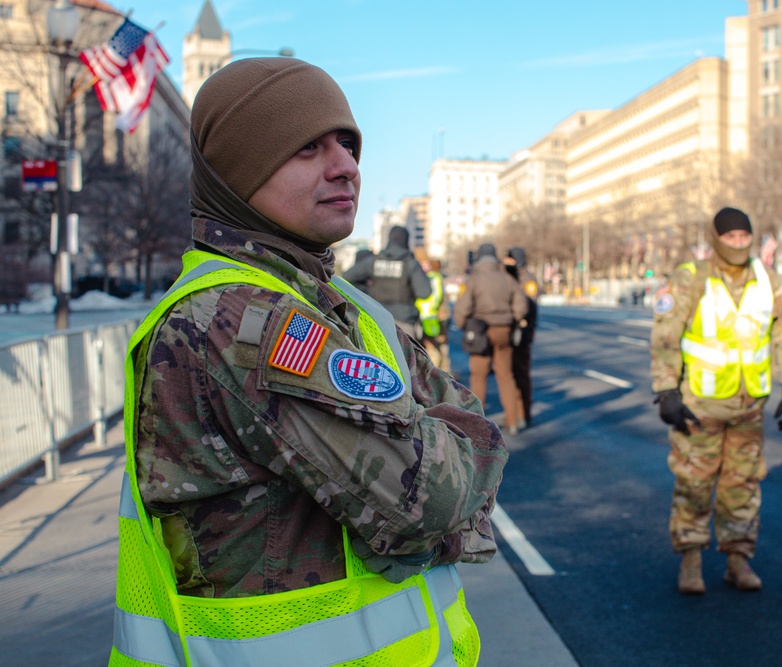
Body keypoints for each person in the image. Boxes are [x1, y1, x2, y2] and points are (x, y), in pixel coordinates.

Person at [109, 58, 507, 667]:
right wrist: (443, 448)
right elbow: (433, 496)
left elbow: (461, 415)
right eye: (307, 148)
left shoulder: (334, 300)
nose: (346, 165)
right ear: (238, 173)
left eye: (348, 143)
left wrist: (439, 442)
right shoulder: (241, 322)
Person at [649, 206, 782, 595]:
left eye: (743, 236)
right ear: (716, 239)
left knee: (744, 485)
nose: (738, 243)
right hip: (699, 404)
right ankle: (691, 560)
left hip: (748, 404)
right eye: (730, 237)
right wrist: (666, 391)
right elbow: (666, 336)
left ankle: (738, 560)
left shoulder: (769, 281)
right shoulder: (691, 278)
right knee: (694, 484)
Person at [454, 243, 528, 436]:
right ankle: (512, 422)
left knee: (478, 376)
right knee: (506, 376)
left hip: (480, 331)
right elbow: (522, 305)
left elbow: (461, 309)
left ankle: (478, 426)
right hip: (503, 331)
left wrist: (464, 326)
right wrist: (514, 320)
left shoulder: (474, 279)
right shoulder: (506, 278)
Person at [342, 224, 431, 340]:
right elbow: (425, 292)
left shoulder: (375, 261)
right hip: (404, 323)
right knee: (403, 358)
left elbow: (347, 277)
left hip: (376, 320)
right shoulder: (410, 263)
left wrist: (369, 291)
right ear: (406, 241)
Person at [504, 247, 539, 429]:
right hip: (510, 331)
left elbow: (529, 307)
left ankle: (524, 412)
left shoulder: (528, 280)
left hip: (523, 332)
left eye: (508, 259)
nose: (505, 262)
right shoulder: (510, 277)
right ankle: (515, 413)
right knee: (509, 374)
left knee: (521, 374)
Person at [415, 251, 452, 373]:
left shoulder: (432, 278)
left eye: (426, 263)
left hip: (434, 318)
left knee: (436, 349)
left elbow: (436, 300)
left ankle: (440, 375)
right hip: (431, 318)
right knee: (435, 349)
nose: (425, 266)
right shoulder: (429, 277)